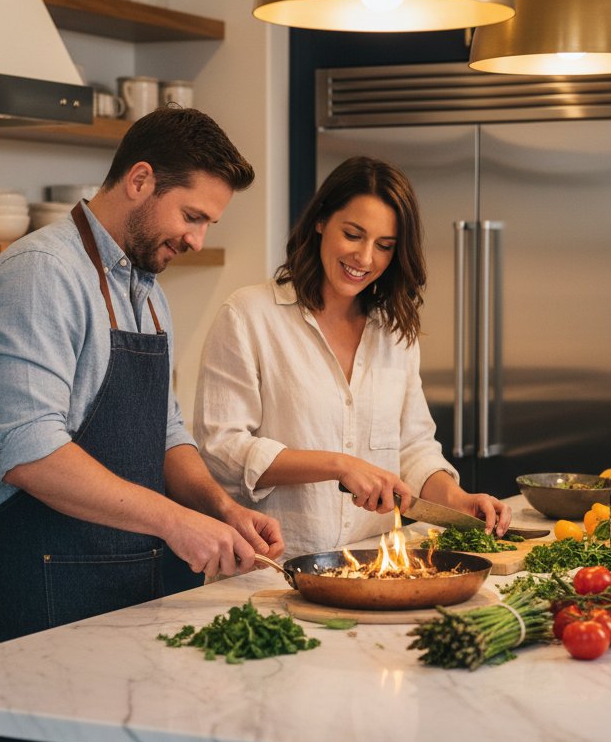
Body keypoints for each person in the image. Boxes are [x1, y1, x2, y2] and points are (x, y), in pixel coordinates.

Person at [0, 108, 284, 647]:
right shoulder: (41, 274)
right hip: (45, 589)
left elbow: (165, 432)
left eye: (208, 224)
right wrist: (175, 522)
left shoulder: (147, 292)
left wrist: (219, 507)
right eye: (192, 216)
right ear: (140, 180)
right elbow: (28, 450)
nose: (198, 240)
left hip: (132, 587)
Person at [193, 156, 511, 556]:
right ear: (321, 221)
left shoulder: (395, 332)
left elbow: (412, 447)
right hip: (268, 567)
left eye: (384, 246)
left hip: (371, 566)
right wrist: (338, 465)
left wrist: (457, 499)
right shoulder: (249, 315)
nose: (364, 258)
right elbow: (221, 449)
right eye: (353, 234)